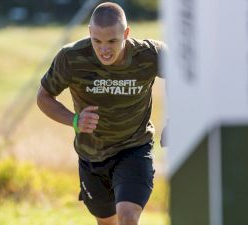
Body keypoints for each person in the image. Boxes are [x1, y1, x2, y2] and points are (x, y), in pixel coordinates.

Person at [37, 2, 166, 225]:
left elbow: (184, 73)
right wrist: (75, 120)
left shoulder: (149, 54)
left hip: (133, 148)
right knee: (107, 222)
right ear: (89, 32)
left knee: (127, 216)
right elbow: (43, 97)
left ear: (126, 33)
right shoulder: (71, 58)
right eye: (97, 41)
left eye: (112, 41)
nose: (104, 49)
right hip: (92, 156)